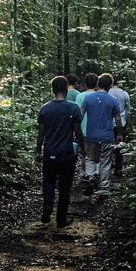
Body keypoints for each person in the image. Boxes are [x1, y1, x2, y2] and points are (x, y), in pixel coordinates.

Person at [36, 76, 82, 233]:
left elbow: (41, 134)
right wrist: (83, 148)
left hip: (50, 152)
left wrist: (38, 151)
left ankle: (47, 208)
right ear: (66, 90)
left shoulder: (44, 109)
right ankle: (61, 219)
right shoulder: (73, 108)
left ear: (52, 90)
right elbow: (77, 131)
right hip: (67, 153)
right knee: (65, 186)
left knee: (48, 182)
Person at [78, 73, 122, 196]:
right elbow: (118, 118)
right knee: (105, 162)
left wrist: (76, 130)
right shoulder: (112, 100)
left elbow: (80, 115)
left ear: (98, 83)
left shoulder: (88, 98)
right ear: (110, 85)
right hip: (107, 135)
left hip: (91, 135)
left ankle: (91, 177)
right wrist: (119, 133)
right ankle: (104, 187)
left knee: (90, 158)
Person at [102, 73, 129, 179]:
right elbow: (128, 110)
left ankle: (107, 169)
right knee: (119, 146)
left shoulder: (107, 93)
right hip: (121, 123)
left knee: (107, 146)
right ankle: (118, 168)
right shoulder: (124, 94)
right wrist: (127, 122)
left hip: (108, 123)